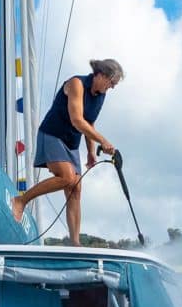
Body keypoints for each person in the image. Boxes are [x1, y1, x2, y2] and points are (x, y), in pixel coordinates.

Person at [11, 58, 123, 245]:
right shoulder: (76, 84)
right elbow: (77, 120)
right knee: (67, 178)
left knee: (75, 188)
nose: (111, 88)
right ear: (101, 75)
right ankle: (21, 201)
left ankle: (75, 242)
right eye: (111, 83)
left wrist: (90, 152)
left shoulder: (100, 96)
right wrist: (103, 140)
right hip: (52, 134)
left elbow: (90, 122)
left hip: (72, 142)